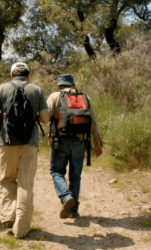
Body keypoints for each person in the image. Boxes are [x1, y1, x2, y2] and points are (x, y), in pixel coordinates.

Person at [0, 62, 49, 239]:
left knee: (7, 179)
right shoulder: (36, 90)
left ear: (11, 75)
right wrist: (33, 116)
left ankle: (8, 217)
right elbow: (45, 118)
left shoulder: (3, 88)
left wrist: (6, 116)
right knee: (25, 183)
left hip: (6, 142)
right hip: (30, 143)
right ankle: (21, 228)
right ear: (28, 75)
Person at [47, 74, 103, 219]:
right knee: (75, 176)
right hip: (80, 141)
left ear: (60, 85)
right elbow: (93, 122)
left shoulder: (54, 96)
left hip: (60, 141)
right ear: (72, 84)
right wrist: (98, 144)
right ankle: (73, 210)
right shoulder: (85, 97)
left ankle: (65, 197)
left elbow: (45, 117)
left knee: (57, 172)